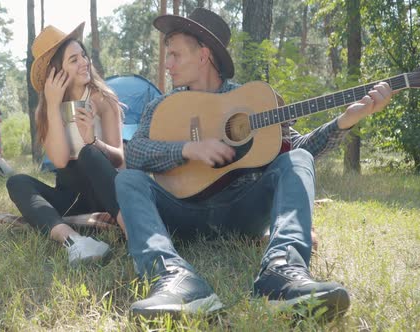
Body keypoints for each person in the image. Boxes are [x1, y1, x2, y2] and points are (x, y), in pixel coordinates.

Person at [115, 8, 393, 319]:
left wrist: (343, 122)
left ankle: (281, 274)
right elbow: (136, 153)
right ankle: (172, 278)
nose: (167, 64)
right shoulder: (162, 106)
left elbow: (295, 150)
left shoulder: (253, 100)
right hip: (182, 214)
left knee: (297, 159)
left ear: (203, 55)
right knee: (127, 180)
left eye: (175, 55)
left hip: (242, 211)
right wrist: (189, 148)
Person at [6, 23, 125, 266]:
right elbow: (60, 161)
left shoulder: (103, 99)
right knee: (17, 182)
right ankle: (74, 241)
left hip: (105, 191)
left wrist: (93, 140)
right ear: (56, 73)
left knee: (89, 154)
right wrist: (52, 106)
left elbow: (119, 159)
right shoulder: (46, 111)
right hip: (71, 196)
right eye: (74, 59)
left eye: (83, 55)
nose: (84, 62)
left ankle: (131, 232)